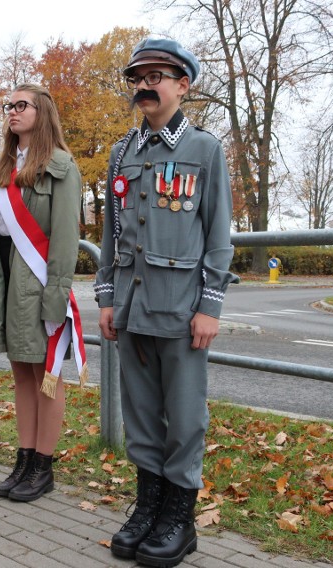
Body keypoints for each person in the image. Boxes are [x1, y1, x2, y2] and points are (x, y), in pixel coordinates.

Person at [94, 38, 238, 567]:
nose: (145, 85)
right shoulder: (121, 153)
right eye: (139, 76)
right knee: (141, 414)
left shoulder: (204, 150)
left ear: (183, 85)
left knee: (183, 416)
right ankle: (148, 506)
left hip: (181, 308)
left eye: (158, 76)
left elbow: (219, 235)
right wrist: (106, 296)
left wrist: (211, 305)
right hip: (131, 306)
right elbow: (111, 234)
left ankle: (179, 516)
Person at [0, 84, 85, 502]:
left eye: (22, 105)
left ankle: (43, 466)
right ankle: (23, 459)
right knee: (21, 375)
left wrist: (56, 296)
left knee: (47, 379)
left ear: (43, 112)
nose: (12, 112)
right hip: (8, 279)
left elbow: (64, 239)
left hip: (37, 283)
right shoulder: (3, 167)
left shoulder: (61, 166)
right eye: (10, 106)